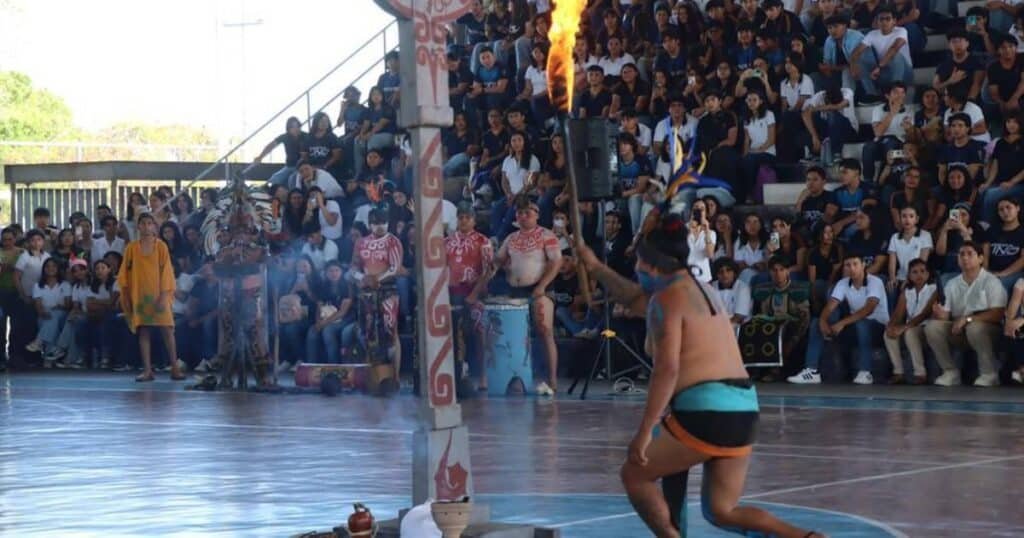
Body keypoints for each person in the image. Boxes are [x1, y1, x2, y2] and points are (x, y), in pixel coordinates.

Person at [573, 214, 819, 538]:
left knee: (635, 474)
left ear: (654, 266)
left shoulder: (666, 299)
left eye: (640, 263)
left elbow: (667, 368)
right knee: (722, 510)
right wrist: (594, 266)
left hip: (707, 410)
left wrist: (644, 431)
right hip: (744, 408)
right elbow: (634, 297)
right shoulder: (700, 289)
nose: (637, 268)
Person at [486, 199, 562, 395]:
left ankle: (552, 380)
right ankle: (516, 378)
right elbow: (498, 260)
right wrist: (492, 263)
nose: (523, 216)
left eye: (528, 212)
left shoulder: (546, 235)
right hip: (515, 290)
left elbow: (556, 262)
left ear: (537, 214)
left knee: (545, 331)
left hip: (540, 288)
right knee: (516, 335)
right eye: (520, 212)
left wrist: (542, 286)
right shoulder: (511, 238)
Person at [788, 254, 889, 385]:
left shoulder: (875, 282)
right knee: (816, 323)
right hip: (855, 326)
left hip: (878, 328)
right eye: (848, 265)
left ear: (863, 265)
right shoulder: (843, 283)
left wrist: (842, 323)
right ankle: (811, 371)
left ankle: (866, 372)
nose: (852, 268)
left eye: (855, 264)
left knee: (862, 324)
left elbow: (868, 309)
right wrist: (823, 321)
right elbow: (831, 306)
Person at [925, 242, 1008, 387]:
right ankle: (950, 372)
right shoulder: (952, 283)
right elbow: (946, 316)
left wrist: (968, 319)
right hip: (960, 330)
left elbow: (998, 314)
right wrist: (939, 314)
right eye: (961, 254)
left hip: (989, 330)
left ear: (980, 258)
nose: (965, 257)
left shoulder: (991, 281)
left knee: (975, 327)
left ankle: (989, 373)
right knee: (932, 327)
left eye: (970, 254)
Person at [118, 213, 183, 382]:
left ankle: (175, 368)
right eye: (143, 223)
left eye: (149, 223)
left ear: (154, 226)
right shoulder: (131, 248)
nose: (146, 227)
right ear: (138, 226)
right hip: (140, 295)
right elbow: (125, 273)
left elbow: (167, 272)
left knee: (167, 330)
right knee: (144, 331)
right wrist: (127, 296)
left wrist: (164, 295)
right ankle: (147, 370)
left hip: (159, 294)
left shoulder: (161, 246)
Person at [446, 203, 494, 390]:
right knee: (452, 335)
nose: (464, 221)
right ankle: (455, 375)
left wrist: (474, 295)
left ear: (474, 220)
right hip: (452, 293)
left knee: (479, 334)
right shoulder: (447, 241)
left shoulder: (483, 241)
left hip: (475, 292)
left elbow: (488, 271)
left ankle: (483, 376)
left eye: (468, 217)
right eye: (461, 217)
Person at [351, 209, 404, 377]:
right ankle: (372, 376)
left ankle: (395, 375)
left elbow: (395, 268)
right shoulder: (361, 242)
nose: (380, 226)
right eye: (375, 223)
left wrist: (377, 278)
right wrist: (362, 277)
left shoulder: (393, 241)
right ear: (369, 224)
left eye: (383, 222)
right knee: (368, 332)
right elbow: (353, 267)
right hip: (367, 291)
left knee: (391, 330)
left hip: (388, 290)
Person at [884, 258, 937, 385]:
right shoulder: (907, 292)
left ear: (928, 274)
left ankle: (920, 374)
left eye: (922, 271)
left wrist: (904, 327)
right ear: (909, 275)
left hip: (926, 328)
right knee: (887, 334)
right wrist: (891, 326)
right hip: (910, 326)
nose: (919, 275)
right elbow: (898, 314)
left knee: (910, 333)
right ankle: (898, 372)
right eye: (915, 272)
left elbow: (925, 314)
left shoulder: (934, 289)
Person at [255, 116, 308, 186]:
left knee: (293, 179)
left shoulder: (306, 136)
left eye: (297, 126)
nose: (296, 129)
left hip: (302, 167)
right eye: (292, 127)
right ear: (288, 129)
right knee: (273, 181)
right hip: (288, 166)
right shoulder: (285, 137)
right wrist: (260, 157)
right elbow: (271, 145)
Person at [712, 258, 752, 330]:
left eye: (728, 270)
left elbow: (739, 317)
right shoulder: (711, 287)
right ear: (716, 274)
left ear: (734, 272)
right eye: (720, 272)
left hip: (738, 327)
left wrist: (721, 328)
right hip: (716, 325)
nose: (725, 274)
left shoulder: (743, 288)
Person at [686, 199, 716, 283]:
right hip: (686, 276)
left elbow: (710, 254)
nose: (699, 211)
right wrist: (689, 232)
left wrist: (706, 232)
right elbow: (679, 250)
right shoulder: (682, 228)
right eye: (696, 208)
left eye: (702, 209)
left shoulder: (711, 233)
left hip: (703, 276)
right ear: (691, 211)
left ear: (706, 213)